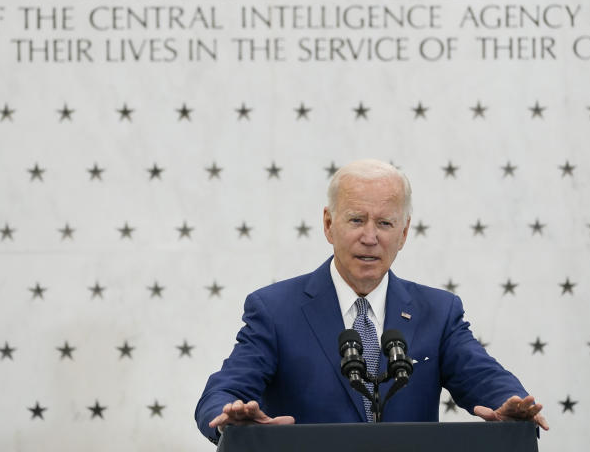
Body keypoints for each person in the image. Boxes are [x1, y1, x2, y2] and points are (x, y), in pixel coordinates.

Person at [194, 159, 548, 442]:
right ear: (329, 224)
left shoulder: (438, 313)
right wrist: (229, 416)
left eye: (384, 223)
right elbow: (227, 388)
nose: (370, 237)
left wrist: (511, 407)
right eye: (356, 220)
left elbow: (485, 378)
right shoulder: (275, 310)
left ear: (404, 232)